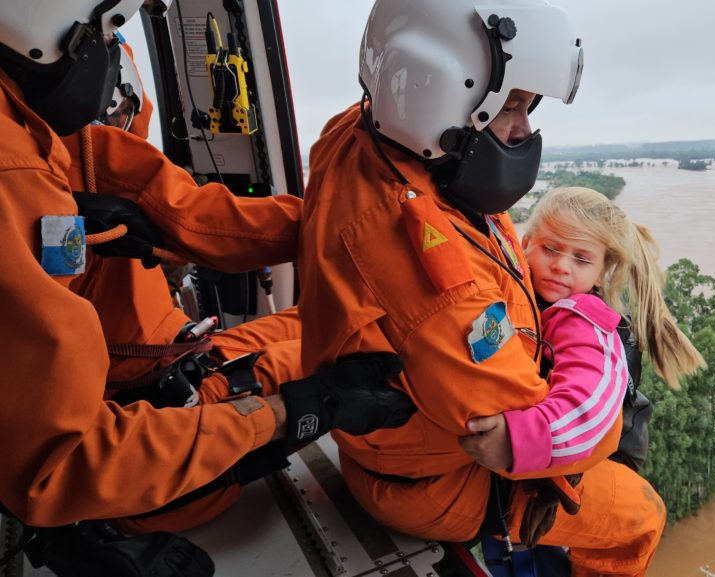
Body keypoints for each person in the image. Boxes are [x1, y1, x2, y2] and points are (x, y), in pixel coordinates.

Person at [0, 2, 414, 575]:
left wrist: (350, 227)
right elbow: (62, 462)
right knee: (358, 359)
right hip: (133, 429)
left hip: (172, 361)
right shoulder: (14, 171)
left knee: (327, 323)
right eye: (107, 26)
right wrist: (298, 411)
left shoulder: (44, 138)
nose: (108, 47)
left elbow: (192, 213)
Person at [298, 1, 667, 574]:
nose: (523, 129)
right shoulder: (430, 268)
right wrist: (550, 460)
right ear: (435, 94)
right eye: (511, 105)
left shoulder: (357, 139)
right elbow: (521, 427)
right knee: (641, 515)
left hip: (376, 452)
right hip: (437, 485)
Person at [460, 186, 706, 475]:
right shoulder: (523, 293)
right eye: (550, 248)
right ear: (524, 245)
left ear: (600, 274)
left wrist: (518, 441)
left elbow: (588, 405)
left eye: (581, 259)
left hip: (603, 462)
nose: (561, 266)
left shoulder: (582, 319)